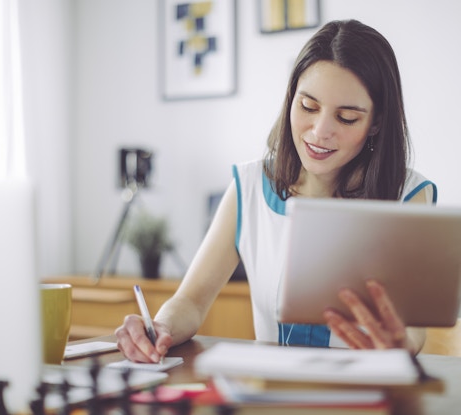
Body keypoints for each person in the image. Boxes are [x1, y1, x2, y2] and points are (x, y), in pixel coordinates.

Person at [115, 19, 437, 363]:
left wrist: (401, 340)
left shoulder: (408, 195)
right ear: (290, 99)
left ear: (375, 123)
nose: (319, 131)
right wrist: (160, 327)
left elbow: (414, 330)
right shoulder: (250, 187)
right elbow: (191, 301)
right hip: (271, 394)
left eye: (346, 118)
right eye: (308, 107)